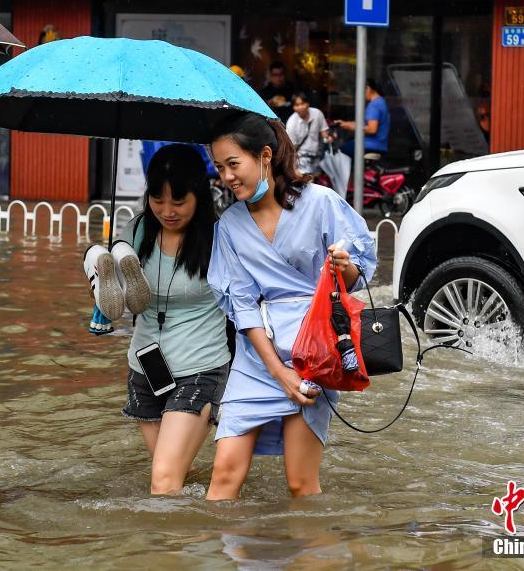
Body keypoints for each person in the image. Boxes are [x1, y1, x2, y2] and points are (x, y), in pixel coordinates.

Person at [205, 112, 377, 500]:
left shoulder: (320, 203)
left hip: (314, 352)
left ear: (264, 156)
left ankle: (308, 557)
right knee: (223, 477)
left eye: (234, 164)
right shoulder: (229, 224)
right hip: (257, 355)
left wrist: (345, 267)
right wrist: (278, 371)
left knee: (301, 484)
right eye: (219, 167)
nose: (227, 177)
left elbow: (355, 276)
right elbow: (241, 304)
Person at [93, 145, 231, 494]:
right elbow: (114, 287)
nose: (167, 211)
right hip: (146, 368)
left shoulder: (221, 239)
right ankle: (194, 538)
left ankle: (161, 547)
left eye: (178, 201)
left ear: (199, 195)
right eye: (157, 198)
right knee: (171, 480)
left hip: (200, 367)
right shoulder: (138, 231)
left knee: (164, 480)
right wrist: (102, 288)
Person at [339, 78, 390, 160]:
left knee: (341, 150)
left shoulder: (374, 105)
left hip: (370, 144)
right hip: (380, 145)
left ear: (368, 89)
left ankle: (352, 173)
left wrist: (354, 128)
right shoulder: (381, 101)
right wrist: (345, 124)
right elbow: (364, 124)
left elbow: (372, 129)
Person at [285, 91, 329, 175]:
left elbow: (324, 133)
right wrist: (293, 167)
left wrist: (329, 137)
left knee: (318, 182)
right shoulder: (291, 123)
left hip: (318, 157)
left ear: (308, 103)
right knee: (306, 182)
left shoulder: (317, 114)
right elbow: (291, 148)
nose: (300, 107)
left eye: (302, 103)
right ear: (293, 107)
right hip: (301, 159)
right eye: (297, 105)